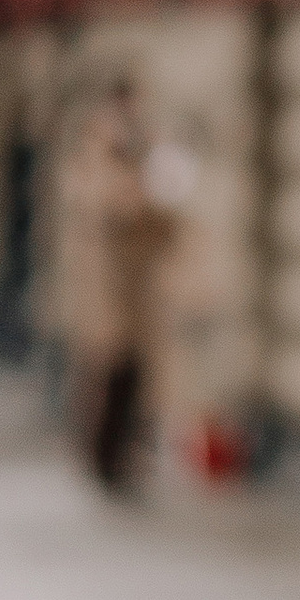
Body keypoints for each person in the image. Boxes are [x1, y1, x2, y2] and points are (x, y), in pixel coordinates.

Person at [53, 79, 180, 495]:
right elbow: (97, 207)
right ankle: (103, 458)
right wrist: (133, 194)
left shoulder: (147, 151)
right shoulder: (96, 153)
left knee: (138, 376)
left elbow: (166, 221)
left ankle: (129, 455)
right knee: (105, 372)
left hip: (138, 286)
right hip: (105, 289)